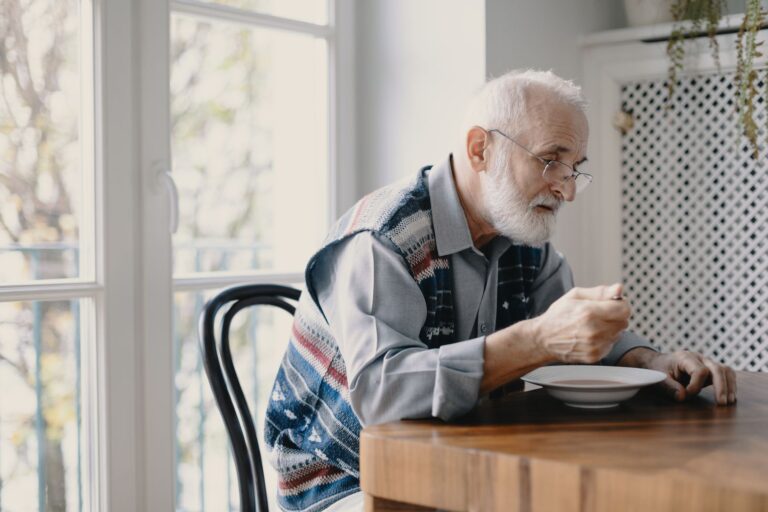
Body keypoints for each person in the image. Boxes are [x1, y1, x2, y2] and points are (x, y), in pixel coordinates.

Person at [263, 69, 737, 512]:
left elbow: (573, 334)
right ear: (479, 150)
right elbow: (382, 399)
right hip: (344, 481)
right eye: (551, 162)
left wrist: (650, 361)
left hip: (457, 458)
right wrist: (536, 340)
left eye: (574, 169)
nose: (566, 191)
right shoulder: (383, 238)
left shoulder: (520, 234)